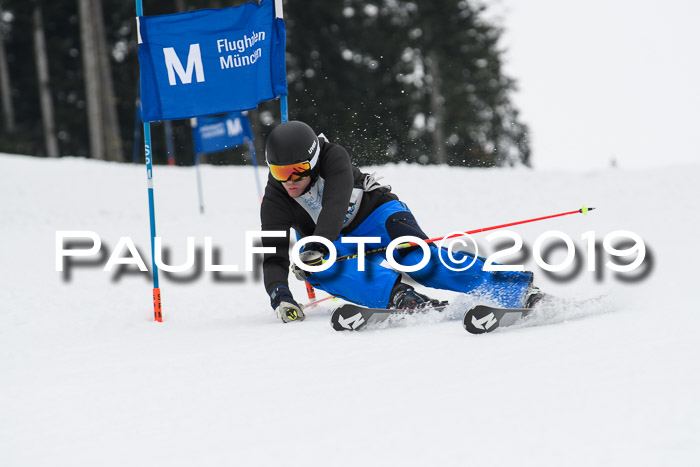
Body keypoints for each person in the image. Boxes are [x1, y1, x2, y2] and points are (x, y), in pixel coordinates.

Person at [260, 121, 543, 323]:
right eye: (280, 172)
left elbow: (334, 206)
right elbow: (273, 255)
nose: (290, 181)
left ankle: (515, 289)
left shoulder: (334, 156)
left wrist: (320, 244)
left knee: (413, 256)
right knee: (315, 266)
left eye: (298, 170)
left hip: (379, 217)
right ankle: (400, 296)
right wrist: (280, 295)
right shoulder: (275, 199)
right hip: (339, 243)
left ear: (314, 158)